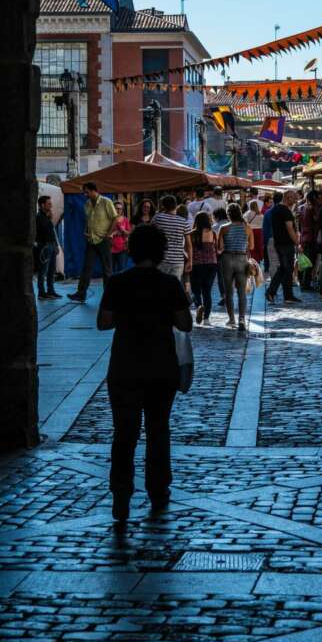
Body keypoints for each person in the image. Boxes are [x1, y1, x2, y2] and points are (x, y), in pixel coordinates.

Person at [97, 223, 192, 523]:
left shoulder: (117, 282)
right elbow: (185, 324)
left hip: (124, 365)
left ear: (131, 248)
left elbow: (104, 322)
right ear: (161, 251)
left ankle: (121, 494)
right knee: (158, 430)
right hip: (161, 367)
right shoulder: (169, 284)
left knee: (124, 433)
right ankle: (158, 490)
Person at [69, 182, 117, 303]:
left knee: (107, 269)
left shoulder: (106, 202)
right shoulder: (87, 204)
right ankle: (81, 293)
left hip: (103, 240)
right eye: (84, 192)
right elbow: (89, 220)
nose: (85, 194)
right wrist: (86, 231)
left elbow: (114, 218)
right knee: (87, 267)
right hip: (91, 239)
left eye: (87, 192)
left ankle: (109, 295)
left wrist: (108, 234)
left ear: (94, 190)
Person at [217, 203, 254, 331]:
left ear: (228, 214)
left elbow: (220, 247)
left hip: (227, 259)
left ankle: (231, 319)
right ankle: (242, 319)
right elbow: (252, 247)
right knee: (241, 292)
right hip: (242, 259)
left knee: (229, 292)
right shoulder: (247, 228)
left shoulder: (224, 228)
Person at [266, 189, 301, 304]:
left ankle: (286, 295)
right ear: (287, 198)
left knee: (284, 268)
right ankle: (275, 292)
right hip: (286, 244)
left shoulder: (275, 209)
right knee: (286, 268)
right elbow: (290, 229)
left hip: (279, 242)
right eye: (293, 198)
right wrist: (297, 243)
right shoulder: (285, 211)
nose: (295, 200)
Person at [152, 194, 192, 281]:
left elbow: (151, 236)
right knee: (174, 289)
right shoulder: (183, 222)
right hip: (178, 261)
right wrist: (190, 261)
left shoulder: (157, 218)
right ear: (175, 205)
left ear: (163, 206)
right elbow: (189, 244)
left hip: (161, 260)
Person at [190, 211, 219, 326]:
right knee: (207, 292)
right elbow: (218, 249)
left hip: (197, 265)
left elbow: (188, 249)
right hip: (211, 264)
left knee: (196, 290)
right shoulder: (213, 233)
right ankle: (206, 319)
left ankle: (199, 306)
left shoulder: (192, 234)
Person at [35, 195, 61, 300]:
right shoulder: (39, 217)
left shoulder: (46, 217)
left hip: (51, 245)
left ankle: (51, 291)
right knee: (43, 271)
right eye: (48, 203)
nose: (51, 205)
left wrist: (55, 245)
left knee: (51, 270)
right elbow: (42, 233)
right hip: (44, 246)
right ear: (42, 205)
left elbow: (51, 232)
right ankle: (41, 292)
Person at [299, 190, 320, 291]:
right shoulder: (311, 208)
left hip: (304, 236)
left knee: (307, 261)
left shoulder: (303, 207)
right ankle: (305, 284)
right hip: (310, 237)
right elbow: (316, 220)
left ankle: (304, 283)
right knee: (309, 262)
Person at [212, 206, 229, 306]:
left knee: (221, 277)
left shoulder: (215, 227)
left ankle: (224, 296)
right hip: (233, 253)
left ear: (217, 217)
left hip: (221, 254)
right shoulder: (230, 224)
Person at [263, 192, 282, 276]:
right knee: (283, 261)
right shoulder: (285, 211)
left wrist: (265, 241)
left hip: (271, 239)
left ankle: (274, 281)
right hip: (283, 239)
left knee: (273, 262)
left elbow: (265, 229)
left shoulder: (268, 212)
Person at [111, 201, 132, 273]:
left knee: (122, 270)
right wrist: (114, 233)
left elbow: (129, 233)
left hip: (122, 248)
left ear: (122, 210)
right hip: (110, 248)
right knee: (110, 271)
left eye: (120, 209)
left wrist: (123, 230)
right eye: (116, 208)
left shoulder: (126, 220)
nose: (118, 210)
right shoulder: (109, 219)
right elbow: (106, 233)